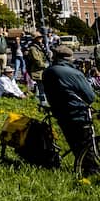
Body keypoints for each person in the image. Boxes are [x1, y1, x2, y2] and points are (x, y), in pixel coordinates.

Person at [41, 45, 100, 176]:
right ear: (69, 58)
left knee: (74, 143)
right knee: (86, 144)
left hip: (59, 112)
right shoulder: (74, 73)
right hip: (77, 112)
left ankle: (82, 166)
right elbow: (90, 96)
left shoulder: (48, 72)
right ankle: (91, 172)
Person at [25, 31, 50, 104]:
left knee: (44, 88)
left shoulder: (40, 46)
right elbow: (37, 61)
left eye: (41, 37)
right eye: (38, 38)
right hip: (38, 71)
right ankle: (43, 104)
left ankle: (43, 102)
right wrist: (46, 65)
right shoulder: (33, 48)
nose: (41, 39)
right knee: (41, 89)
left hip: (43, 70)